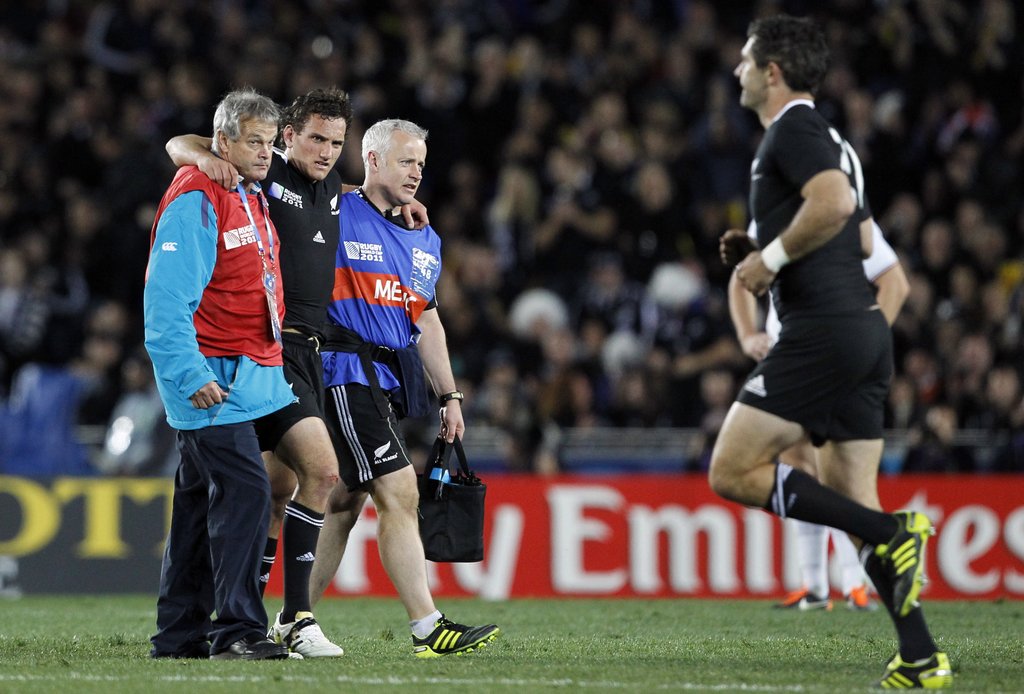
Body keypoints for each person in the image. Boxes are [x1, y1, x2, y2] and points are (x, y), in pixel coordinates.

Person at [711, 16, 951, 688]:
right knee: (850, 496)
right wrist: (768, 250)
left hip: (820, 330)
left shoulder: (792, 130)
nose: (737, 71)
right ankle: (920, 654)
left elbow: (836, 204)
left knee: (731, 471)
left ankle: (895, 532)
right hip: (862, 330)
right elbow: (863, 240)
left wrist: (769, 262)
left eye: (746, 60)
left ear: (773, 73)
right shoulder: (835, 143)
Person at [165, 88, 427, 658]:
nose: (326, 151)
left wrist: (400, 208)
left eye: (336, 142)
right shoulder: (266, 171)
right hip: (268, 345)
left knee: (279, 486)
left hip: (308, 351)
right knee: (295, 479)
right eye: (316, 139)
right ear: (289, 137)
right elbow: (181, 142)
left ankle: (247, 620)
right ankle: (282, 618)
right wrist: (201, 155)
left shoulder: (334, 189)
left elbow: (363, 195)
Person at [308, 118, 500, 657]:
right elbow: (293, 175)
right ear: (372, 160)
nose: (416, 172)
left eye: (420, 163)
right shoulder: (336, 208)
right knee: (399, 490)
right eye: (405, 161)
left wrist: (450, 396)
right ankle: (427, 626)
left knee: (343, 502)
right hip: (344, 372)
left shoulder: (425, 238)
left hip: (389, 379)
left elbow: (427, 321)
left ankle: (293, 618)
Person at [145, 88, 291, 661]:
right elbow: (165, 303)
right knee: (247, 490)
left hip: (240, 374)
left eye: (269, 142)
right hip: (207, 378)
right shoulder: (196, 197)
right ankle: (238, 630)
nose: (265, 152)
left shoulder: (246, 190)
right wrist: (190, 375)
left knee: (197, 504)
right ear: (222, 143)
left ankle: (178, 635)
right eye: (253, 141)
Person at [728, 220, 909, 611]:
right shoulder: (768, 217)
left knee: (834, 472)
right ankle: (816, 586)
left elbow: (895, 283)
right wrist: (747, 335)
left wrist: (864, 347)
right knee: (798, 465)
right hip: (790, 357)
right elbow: (741, 278)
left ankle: (855, 581)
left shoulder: (842, 217)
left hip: (830, 357)